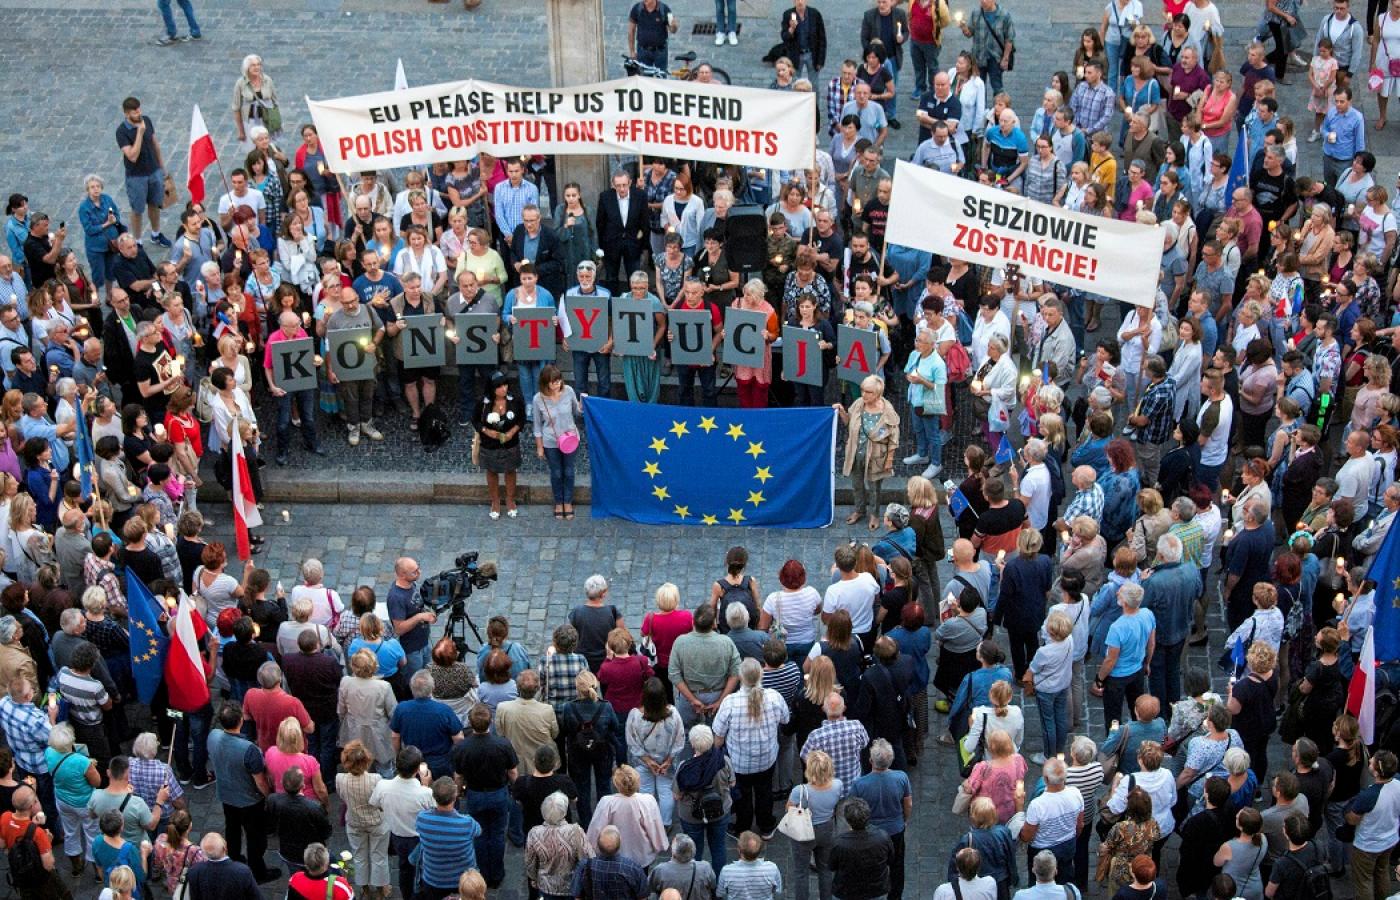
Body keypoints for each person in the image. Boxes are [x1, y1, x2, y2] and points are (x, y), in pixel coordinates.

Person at [625, 677, 685, 829]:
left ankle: (648, 823)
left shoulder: (635, 715)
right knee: (666, 792)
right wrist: (668, 761)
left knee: (645, 793)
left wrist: (648, 761)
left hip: (643, 763)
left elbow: (631, 742)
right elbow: (679, 739)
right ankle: (665, 824)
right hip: (666, 763)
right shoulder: (673, 713)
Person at [415, 777, 482, 900]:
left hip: (433, 879)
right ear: (455, 797)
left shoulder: (422, 818)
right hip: (462, 881)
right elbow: (478, 831)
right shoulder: (467, 823)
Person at [525, 790, 592, 900]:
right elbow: (589, 857)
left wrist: (533, 878)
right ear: (564, 812)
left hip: (546, 886)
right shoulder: (576, 831)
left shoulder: (534, 833)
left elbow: (530, 861)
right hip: (571, 886)